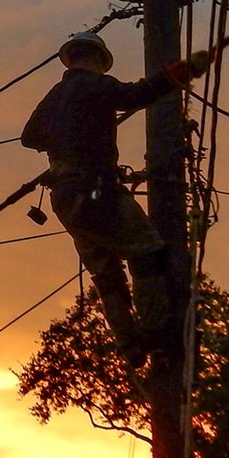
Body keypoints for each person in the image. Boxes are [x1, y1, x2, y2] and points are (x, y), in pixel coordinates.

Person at [20, 31, 212, 362]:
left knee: (106, 274)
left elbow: (29, 137)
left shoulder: (54, 96)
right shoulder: (97, 85)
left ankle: (129, 345)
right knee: (148, 253)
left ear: (71, 58)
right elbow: (140, 94)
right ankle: (158, 338)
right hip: (98, 191)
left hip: (65, 199)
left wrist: (65, 144)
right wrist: (185, 71)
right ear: (97, 60)